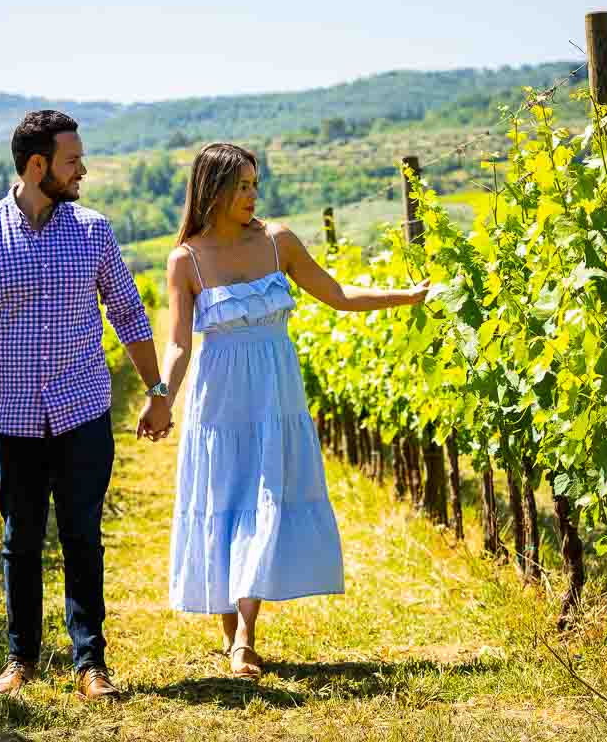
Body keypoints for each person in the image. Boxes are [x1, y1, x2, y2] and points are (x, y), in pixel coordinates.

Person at [160, 143, 427, 678]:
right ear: (212, 189)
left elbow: (339, 294)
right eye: (242, 185)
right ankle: (233, 635)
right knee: (221, 506)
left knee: (264, 501)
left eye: (255, 184)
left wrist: (408, 295)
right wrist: (161, 397)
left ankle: (245, 638)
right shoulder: (185, 259)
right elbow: (180, 345)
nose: (253, 195)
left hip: (275, 395)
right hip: (219, 401)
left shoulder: (279, 241)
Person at [0, 110, 172, 700]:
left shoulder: (93, 230)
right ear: (37, 165)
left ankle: (89, 663)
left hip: (82, 412)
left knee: (81, 536)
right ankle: (20, 658)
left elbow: (128, 312)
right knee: (20, 540)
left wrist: (157, 390)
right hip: (13, 419)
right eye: (73, 161)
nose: (83, 171)